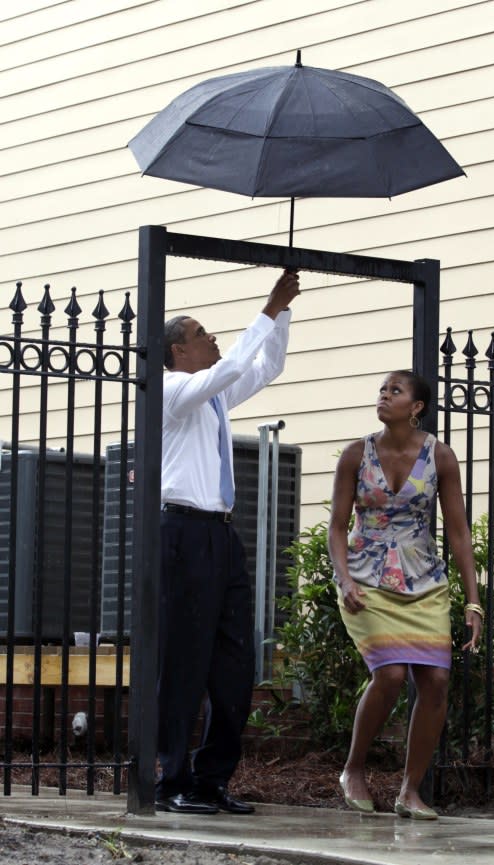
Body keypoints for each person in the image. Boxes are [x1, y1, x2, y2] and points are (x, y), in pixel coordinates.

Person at [156, 268, 301, 815]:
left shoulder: (210, 397)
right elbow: (237, 361)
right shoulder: (172, 391)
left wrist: (282, 313)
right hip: (182, 532)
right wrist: (267, 304)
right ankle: (169, 781)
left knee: (235, 666)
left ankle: (210, 781)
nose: (213, 339)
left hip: (219, 535)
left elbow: (266, 366)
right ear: (178, 350)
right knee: (184, 661)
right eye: (202, 334)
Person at [328, 370, 483, 820]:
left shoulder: (441, 457)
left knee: (434, 681)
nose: (384, 395)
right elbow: (338, 526)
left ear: (416, 407)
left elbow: (458, 531)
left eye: (395, 391)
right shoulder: (357, 454)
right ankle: (353, 768)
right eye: (382, 389)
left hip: (424, 583)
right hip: (366, 579)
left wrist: (472, 600)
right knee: (392, 674)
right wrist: (343, 579)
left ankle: (410, 791)